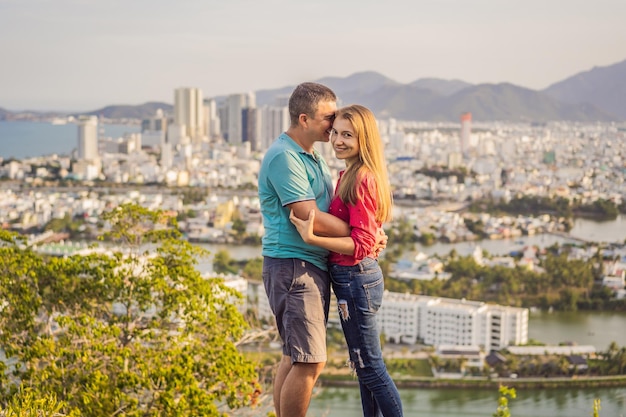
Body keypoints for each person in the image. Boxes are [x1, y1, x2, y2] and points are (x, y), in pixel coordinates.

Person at [289, 104, 403, 417]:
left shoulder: (361, 178)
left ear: (363, 139)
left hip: (355, 280)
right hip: (353, 279)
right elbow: (366, 231)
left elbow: (362, 242)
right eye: (336, 133)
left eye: (348, 135)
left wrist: (313, 238)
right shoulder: (349, 174)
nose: (338, 140)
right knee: (363, 365)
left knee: (369, 367)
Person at [258, 82, 353, 417]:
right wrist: (359, 232)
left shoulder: (309, 156)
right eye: (328, 117)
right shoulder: (285, 157)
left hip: (300, 263)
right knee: (310, 359)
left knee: (294, 355)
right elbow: (305, 214)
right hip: (293, 264)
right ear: (304, 118)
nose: (334, 123)